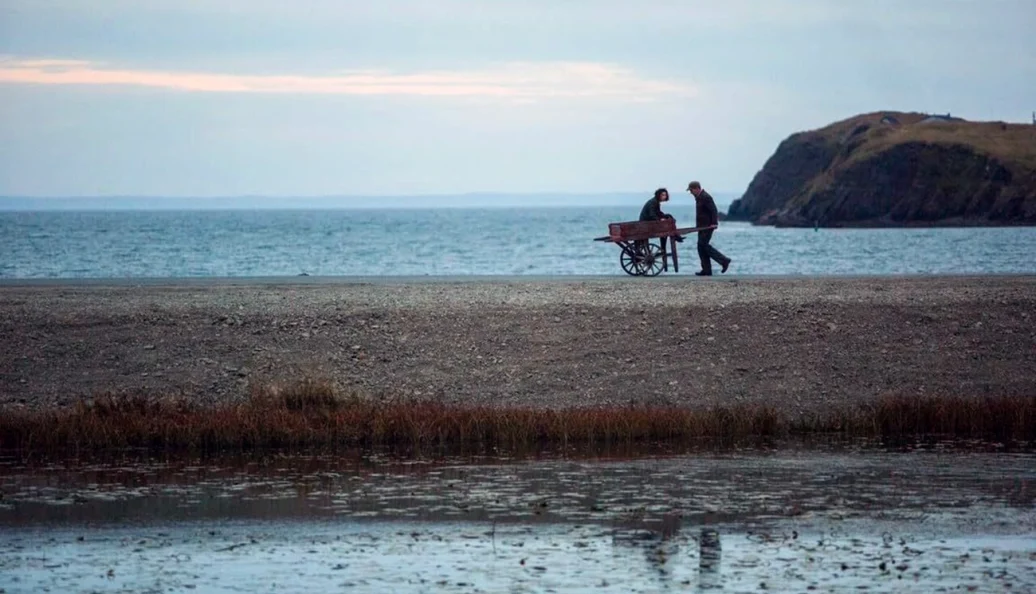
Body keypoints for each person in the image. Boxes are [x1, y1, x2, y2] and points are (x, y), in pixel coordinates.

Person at [687, 181, 731, 275]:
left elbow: (713, 210)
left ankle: (724, 260)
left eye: (691, 190)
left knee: (703, 245)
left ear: (697, 188)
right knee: (701, 247)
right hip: (702, 226)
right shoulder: (699, 197)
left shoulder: (705, 197)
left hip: (708, 226)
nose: (690, 193)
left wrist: (714, 223)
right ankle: (706, 270)